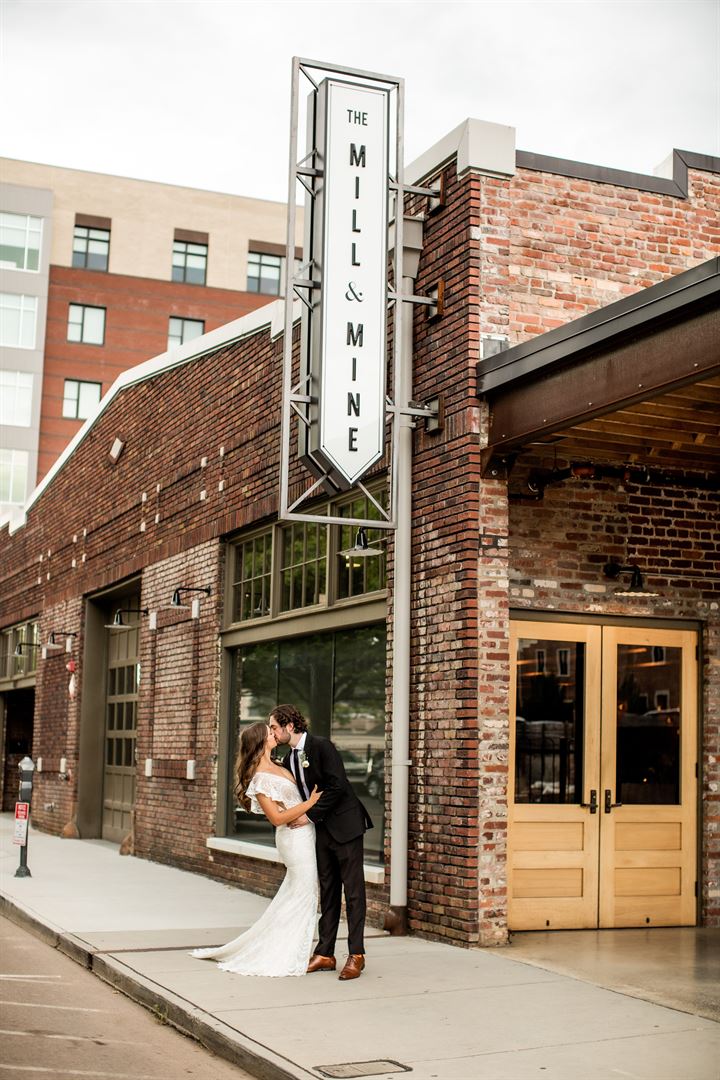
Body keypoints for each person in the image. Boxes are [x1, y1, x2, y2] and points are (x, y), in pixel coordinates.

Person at [191, 721, 322, 977]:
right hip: (293, 839)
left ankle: (290, 945)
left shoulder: (280, 765)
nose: (274, 734)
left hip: (305, 834)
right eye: (269, 732)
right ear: (261, 741)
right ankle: (285, 951)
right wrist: (311, 804)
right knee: (304, 893)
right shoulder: (260, 778)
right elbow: (276, 818)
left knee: (298, 892)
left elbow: (289, 802)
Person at [268, 703, 373, 981]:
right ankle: (325, 953)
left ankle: (357, 954)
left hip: (346, 827)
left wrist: (309, 816)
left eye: (275, 727)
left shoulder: (322, 746)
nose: (273, 732)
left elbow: (337, 786)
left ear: (290, 726)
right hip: (321, 832)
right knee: (328, 890)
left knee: (353, 892)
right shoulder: (288, 758)